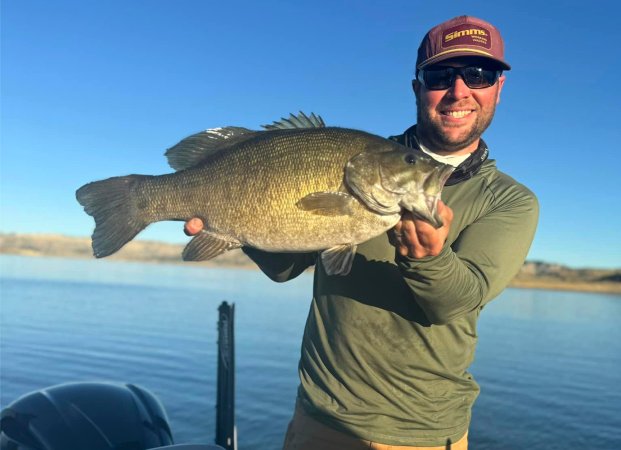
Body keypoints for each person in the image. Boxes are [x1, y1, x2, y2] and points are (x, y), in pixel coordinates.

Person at [185, 15, 538, 450]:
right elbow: (283, 268)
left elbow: (456, 302)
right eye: (440, 75)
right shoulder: (359, 153)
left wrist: (428, 260)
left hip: (425, 433)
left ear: (498, 89)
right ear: (418, 89)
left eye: (478, 75)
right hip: (320, 419)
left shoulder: (509, 201)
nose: (459, 90)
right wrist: (232, 226)